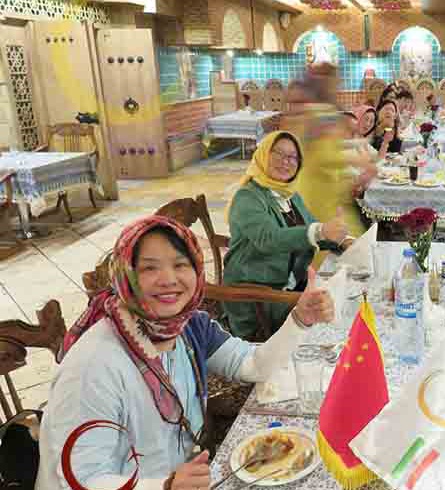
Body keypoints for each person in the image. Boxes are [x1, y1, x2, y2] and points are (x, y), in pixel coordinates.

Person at [36, 215, 335, 489]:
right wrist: (165, 485)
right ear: (126, 276)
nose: (169, 279)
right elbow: (80, 479)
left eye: (180, 264)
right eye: (149, 267)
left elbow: (253, 366)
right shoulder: (93, 366)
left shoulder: (189, 326)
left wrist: (300, 319)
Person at [223, 131, 351, 339]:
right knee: (333, 316)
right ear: (263, 155)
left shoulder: (290, 195)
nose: (285, 162)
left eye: (292, 157)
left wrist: (343, 241)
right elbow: (269, 238)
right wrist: (320, 231)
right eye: (278, 154)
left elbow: (312, 230)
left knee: (345, 299)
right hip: (258, 298)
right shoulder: (247, 197)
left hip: (291, 285)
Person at [285, 65, 368, 240]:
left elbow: (333, 147)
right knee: (335, 241)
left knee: (347, 240)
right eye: (333, 82)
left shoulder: (327, 111)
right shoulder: (313, 113)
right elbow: (321, 157)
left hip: (332, 191)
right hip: (317, 191)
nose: (337, 87)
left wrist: (350, 177)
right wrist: (358, 161)